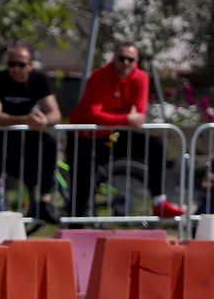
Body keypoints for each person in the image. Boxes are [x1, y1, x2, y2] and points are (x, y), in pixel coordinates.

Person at [68, 42, 185, 220]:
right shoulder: (99, 76)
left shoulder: (141, 78)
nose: (125, 63)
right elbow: (93, 115)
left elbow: (138, 115)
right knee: (82, 185)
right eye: (121, 58)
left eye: (130, 59)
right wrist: (125, 119)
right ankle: (76, 227)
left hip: (111, 135)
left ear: (136, 61)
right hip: (84, 136)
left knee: (155, 145)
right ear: (114, 58)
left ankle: (159, 202)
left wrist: (122, 120)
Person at [0, 42, 61, 223]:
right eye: (11, 64)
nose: (15, 69)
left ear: (30, 65)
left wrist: (44, 120)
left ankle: (44, 199)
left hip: (25, 143)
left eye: (20, 64)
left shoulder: (39, 80)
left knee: (49, 144)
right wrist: (26, 120)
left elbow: (55, 113)